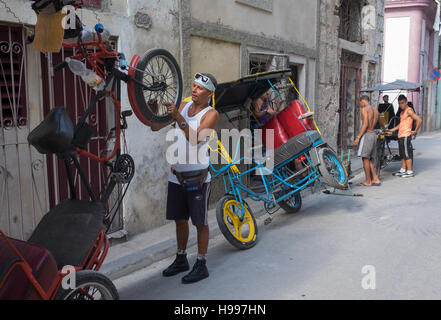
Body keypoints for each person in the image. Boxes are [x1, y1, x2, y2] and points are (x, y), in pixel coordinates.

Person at [151, 73, 219, 284]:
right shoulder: (183, 105)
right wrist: (152, 110)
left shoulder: (211, 114)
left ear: (209, 93)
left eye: (199, 88)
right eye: (194, 86)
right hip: (176, 175)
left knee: (200, 222)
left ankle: (201, 263)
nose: (194, 90)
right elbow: (155, 126)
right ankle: (181, 258)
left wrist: (178, 118)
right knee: (180, 220)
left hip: (197, 177)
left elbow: (195, 139)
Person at [353, 95, 385, 186]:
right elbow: (381, 122)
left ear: (362, 101)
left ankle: (368, 181)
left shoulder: (365, 109)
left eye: (360, 104)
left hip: (368, 134)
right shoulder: (375, 109)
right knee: (369, 158)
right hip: (374, 135)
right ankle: (375, 179)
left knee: (365, 158)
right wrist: (385, 130)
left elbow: (365, 124)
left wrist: (358, 137)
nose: (360, 106)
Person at [387, 95, 422, 178]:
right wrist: (391, 130)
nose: (401, 105)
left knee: (407, 154)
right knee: (402, 154)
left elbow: (419, 120)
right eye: (399, 103)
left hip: (406, 135)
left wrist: (415, 131)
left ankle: (410, 172)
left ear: (406, 102)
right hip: (401, 135)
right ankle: (403, 170)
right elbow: (401, 124)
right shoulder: (402, 112)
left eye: (402, 103)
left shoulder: (409, 110)